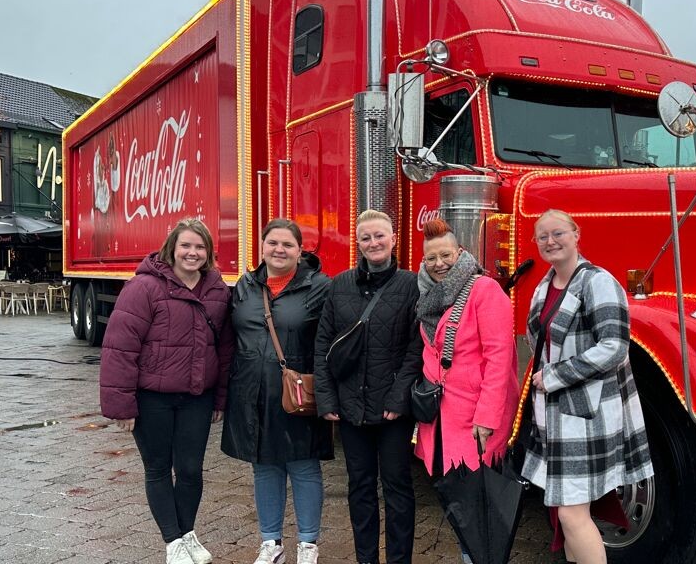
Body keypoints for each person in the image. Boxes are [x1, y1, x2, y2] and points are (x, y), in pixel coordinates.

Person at [99, 218, 232, 564]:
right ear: (171, 247)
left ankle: (187, 533)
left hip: (196, 398)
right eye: (186, 245)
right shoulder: (143, 288)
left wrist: (220, 398)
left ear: (209, 253)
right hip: (152, 398)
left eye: (200, 247)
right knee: (158, 468)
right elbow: (120, 347)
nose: (193, 252)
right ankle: (173, 542)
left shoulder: (218, 291)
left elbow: (226, 350)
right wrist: (122, 406)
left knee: (190, 470)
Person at [524, 209, 653, 564]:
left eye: (558, 233)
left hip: (586, 416)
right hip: (554, 418)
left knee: (570, 514)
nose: (551, 242)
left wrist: (556, 376)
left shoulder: (598, 282)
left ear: (576, 234)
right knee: (566, 515)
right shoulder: (544, 286)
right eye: (543, 237)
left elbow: (614, 347)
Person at [314, 209, 422, 564]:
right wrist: (326, 399)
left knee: (397, 488)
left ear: (393, 239)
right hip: (350, 406)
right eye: (366, 238)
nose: (373, 243)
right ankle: (366, 559)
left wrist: (399, 398)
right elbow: (324, 344)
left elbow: (415, 349)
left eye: (380, 236)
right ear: (357, 243)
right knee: (359, 487)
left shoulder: (411, 285)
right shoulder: (339, 284)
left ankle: (399, 560)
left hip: (392, 409)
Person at [221, 219, 332, 564]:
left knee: (303, 466)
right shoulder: (244, 286)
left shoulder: (320, 287)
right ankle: (271, 543)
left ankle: (308, 544)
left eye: (287, 244)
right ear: (262, 247)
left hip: (297, 393)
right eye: (273, 243)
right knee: (264, 467)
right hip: (251, 393)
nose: (279, 250)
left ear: (300, 251)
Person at [412, 218, 519, 563]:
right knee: (458, 504)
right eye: (432, 258)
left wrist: (487, 418)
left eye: (446, 255)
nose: (439, 264)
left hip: (476, 420)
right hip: (441, 419)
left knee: (480, 511)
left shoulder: (484, 290)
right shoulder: (427, 293)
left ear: (460, 253)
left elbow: (500, 358)